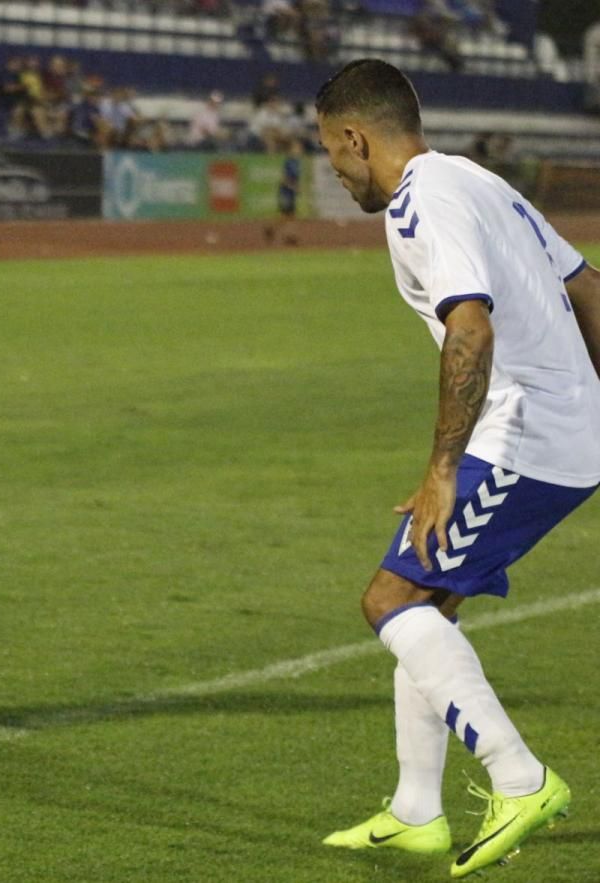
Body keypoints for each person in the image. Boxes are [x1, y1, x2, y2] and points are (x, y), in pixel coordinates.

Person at [314, 59, 600, 878]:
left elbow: (470, 331)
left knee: (390, 597)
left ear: (354, 135)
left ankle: (520, 777)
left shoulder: (417, 205)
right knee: (432, 599)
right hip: (555, 426)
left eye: (332, 153)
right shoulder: (477, 179)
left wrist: (444, 469)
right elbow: (588, 289)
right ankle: (415, 810)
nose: (334, 171)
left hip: (529, 436)